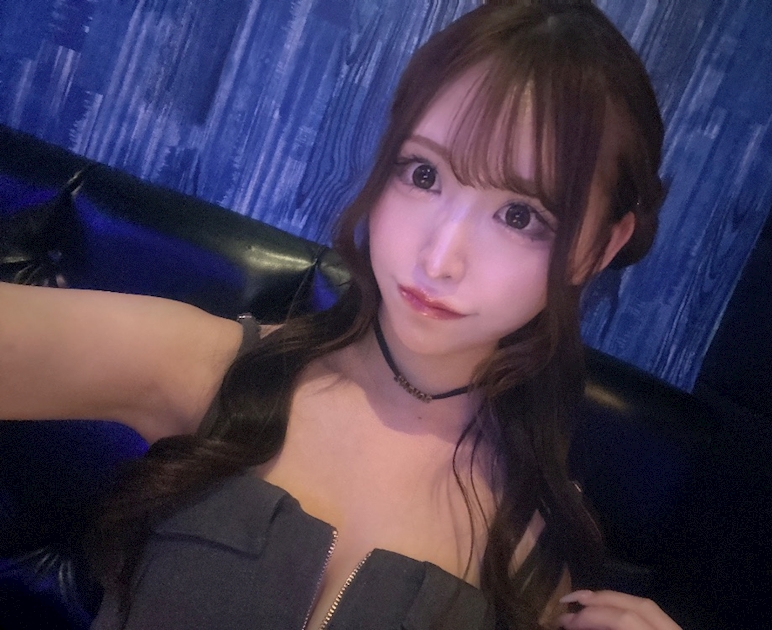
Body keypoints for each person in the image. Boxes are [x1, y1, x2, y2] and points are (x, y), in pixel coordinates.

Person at [0, 1, 681, 628]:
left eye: (519, 216)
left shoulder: (537, 552)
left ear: (598, 247)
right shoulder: (213, 370)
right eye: (423, 174)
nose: (439, 259)